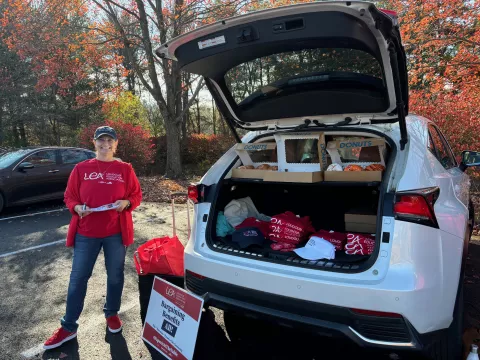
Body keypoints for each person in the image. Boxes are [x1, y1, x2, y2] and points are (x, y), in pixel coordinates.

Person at [44, 126, 142, 350]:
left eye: (110, 141)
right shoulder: (81, 168)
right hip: (86, 233)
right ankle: (68, 326)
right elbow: (69, 196)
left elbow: (136, 195)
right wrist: (77, 207)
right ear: (94, 143)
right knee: (78, 278)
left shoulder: (125, 169)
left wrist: (126, 203)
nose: (105, 144)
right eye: (101, 140)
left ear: (116, 144)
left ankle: (112, 313)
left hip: (115, 233)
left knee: (115, 276)